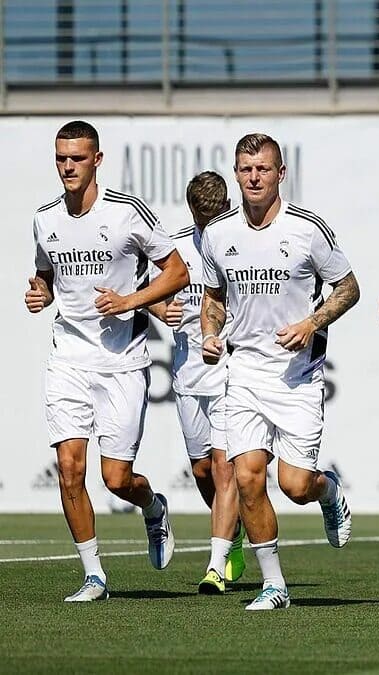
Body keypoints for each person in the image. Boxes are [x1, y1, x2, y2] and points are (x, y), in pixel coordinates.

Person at [28, 120, 189, 602]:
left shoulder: (127, 213)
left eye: (77, 158)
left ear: (97, 160)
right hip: (68, 358)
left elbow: (177, 272)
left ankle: (153, 506)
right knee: (70, 469)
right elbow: (44, 276)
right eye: (61, 158)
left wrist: (131, 300)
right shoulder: (44, 218)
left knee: (116, 478)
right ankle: (93, 574)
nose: (67, 167)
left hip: (123, 360)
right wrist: (41, 293)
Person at [199, 133, 359, 611]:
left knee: (293, 485)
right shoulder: (218, 233)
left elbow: (348, 288)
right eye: (246, 169)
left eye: (263, 169)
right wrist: (210, 333)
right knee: (247, 478)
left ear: (280, 174)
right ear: (236, 173)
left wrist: (312, 322)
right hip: (244, 372)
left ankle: (327, 491)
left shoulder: (307, 229)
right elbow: (213, 298)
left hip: (297, 376)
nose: (254, 178)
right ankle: (275, 586)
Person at [146, 172, 246, 594]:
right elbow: (146, 292)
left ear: (227, 203)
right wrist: (159, 311)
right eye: (202, 215)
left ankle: (216, 563)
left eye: (216, 212)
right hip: (188, 373)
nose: (210, 221)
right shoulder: (178, 245)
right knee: (203, 470)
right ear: (191, 211)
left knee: (226, 470)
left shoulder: (242, 238)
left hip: (230, 370)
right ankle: (234, 533)